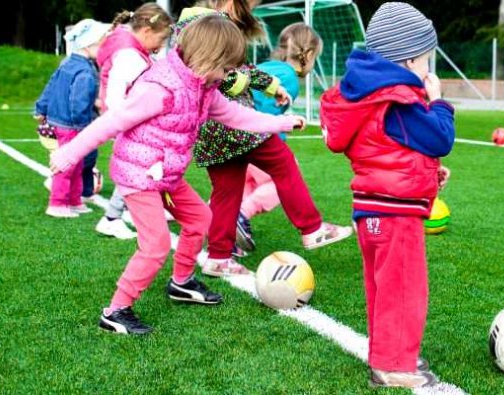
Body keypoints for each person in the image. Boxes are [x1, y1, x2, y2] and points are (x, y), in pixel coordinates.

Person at [49, 15, 305, 335]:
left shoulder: (204, 87)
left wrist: (281, 123)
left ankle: (181, 283)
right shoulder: (159, 88)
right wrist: (69, 154)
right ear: (208, 58)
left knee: (200, 219)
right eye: (227, 68)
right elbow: (112, 122)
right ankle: (115, 311)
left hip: (166, 176)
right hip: (139, 176)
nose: (230, 76)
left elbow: (236, 116)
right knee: (155, 245)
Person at [320, 2, 455, 388]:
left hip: (372, 208)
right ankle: (394, 366)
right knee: (403, 289)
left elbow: (389, 148)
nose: (429, 69)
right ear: (409, 58)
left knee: (383, 288)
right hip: (395, 215)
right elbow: (440, 137)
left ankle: (388, 353)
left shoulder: (369, 95)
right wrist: (439, 101)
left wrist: (428, 174)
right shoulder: (398, 99)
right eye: (427, 60)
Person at [177, 4, 353, 278]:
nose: (250, 9)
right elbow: (227, 74)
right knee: (284, 163)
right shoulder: (214, 24)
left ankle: (219, 257)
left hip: (210, 128)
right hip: (235, 120)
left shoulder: (187, 27)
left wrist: (271, 86)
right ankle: (312, 228)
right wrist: (252, 85)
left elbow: (233, 69)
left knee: (227, 190)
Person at [233, 23, 325, 254]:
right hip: (256, 139)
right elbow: (263, 107)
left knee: (246, 184)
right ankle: (242, 215)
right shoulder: (290, 79)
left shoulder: (266, 66)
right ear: (310, 54)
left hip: (234, 135)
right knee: (281, 180)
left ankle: (225, 229)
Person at [93, 2, 174, 240]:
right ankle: (111, 217)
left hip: (127, 119)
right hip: (128, 121)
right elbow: (116, 94)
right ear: (147, 32)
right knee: (137, 167)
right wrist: (125, 122)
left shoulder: (130, 47)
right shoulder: (130, 55)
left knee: (146, 165)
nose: (160, 48)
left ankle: (143, 209)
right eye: (161, 39)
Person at [35, 19, 111, 218]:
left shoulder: (67, 63)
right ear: (89, 45)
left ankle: (74, 200)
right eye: (101, 44)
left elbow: (51, 86)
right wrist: (83, 127)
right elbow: (78, 101)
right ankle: (58, 203)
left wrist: (41, 107)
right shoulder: (85, 71)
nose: (104, 49)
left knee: (77, 163)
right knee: (69, 164)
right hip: (73, 125)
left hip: (63, 121)